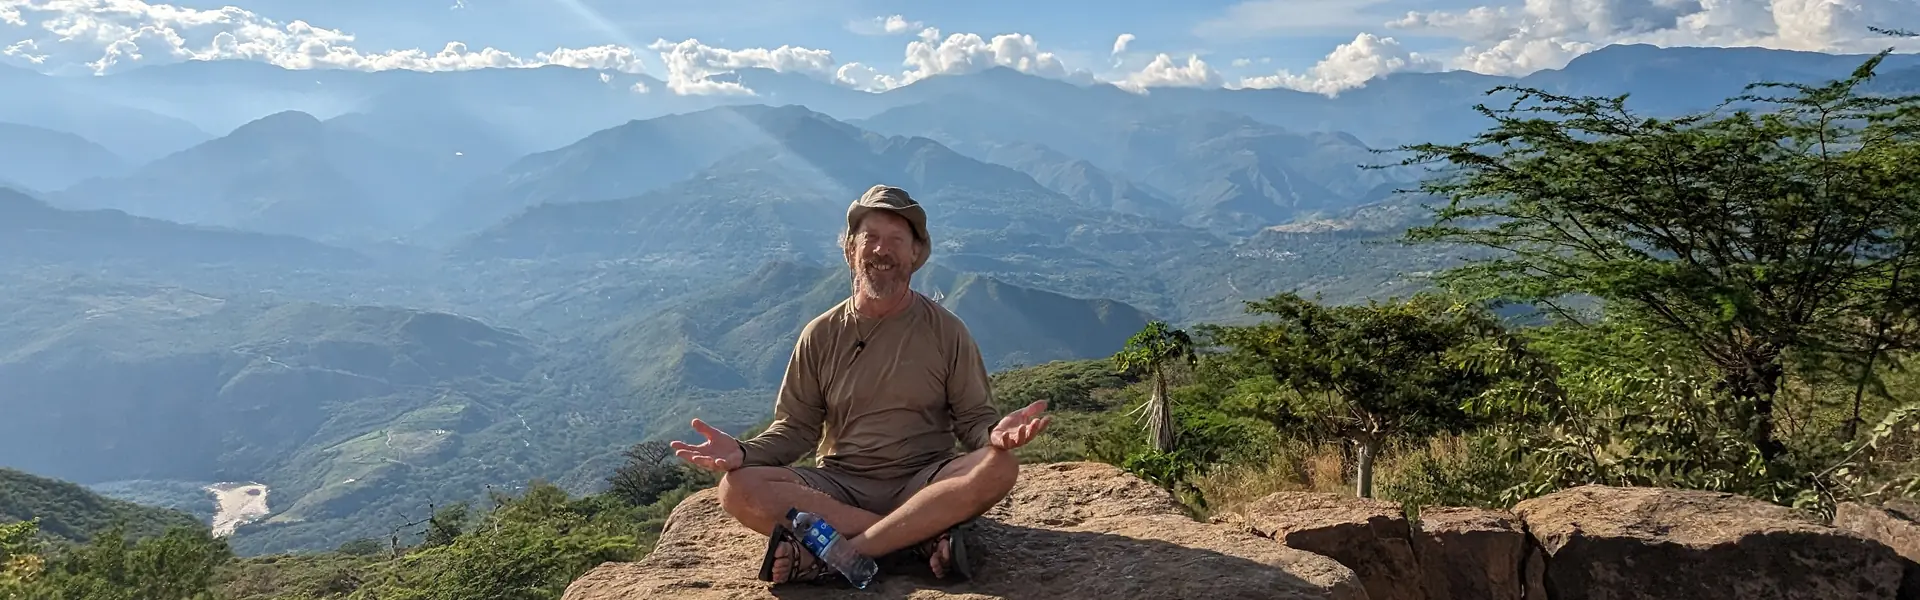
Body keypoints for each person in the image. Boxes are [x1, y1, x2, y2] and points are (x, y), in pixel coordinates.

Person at [671, 184, 1051, 585]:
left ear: (915, 254)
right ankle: (916, 537)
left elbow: (973, 421)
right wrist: (743, 452)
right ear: (850, 249)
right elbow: (795, 430)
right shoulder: (820, 334)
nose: (881, 251)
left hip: (924, 481)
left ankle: (840, 554)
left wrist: (995, 436)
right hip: (840, 487)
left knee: (999, 467)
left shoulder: (946, 331)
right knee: (738, 487)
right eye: (870, 237)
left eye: (896, 240)